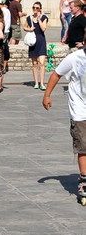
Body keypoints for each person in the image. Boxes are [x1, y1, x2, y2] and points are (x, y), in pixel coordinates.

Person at [42, 33, 86, 204]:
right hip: (80, 110)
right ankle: (84, 182)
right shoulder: (74, 58)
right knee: (83, 146)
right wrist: (47, 95)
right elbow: (56, 74)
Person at [23, 2, 48, 90]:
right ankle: (36, 83)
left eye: (37, 8)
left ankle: (42, 83)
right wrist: (29, 29)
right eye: (34, 7)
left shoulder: (44, 17)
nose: (35, 9)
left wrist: (39, 19)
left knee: (41, 63)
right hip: (32, 41)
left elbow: (43, 28)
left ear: (40, 9)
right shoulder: (29, 18)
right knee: (34, 63)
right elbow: (24, 27)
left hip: (41, 41)